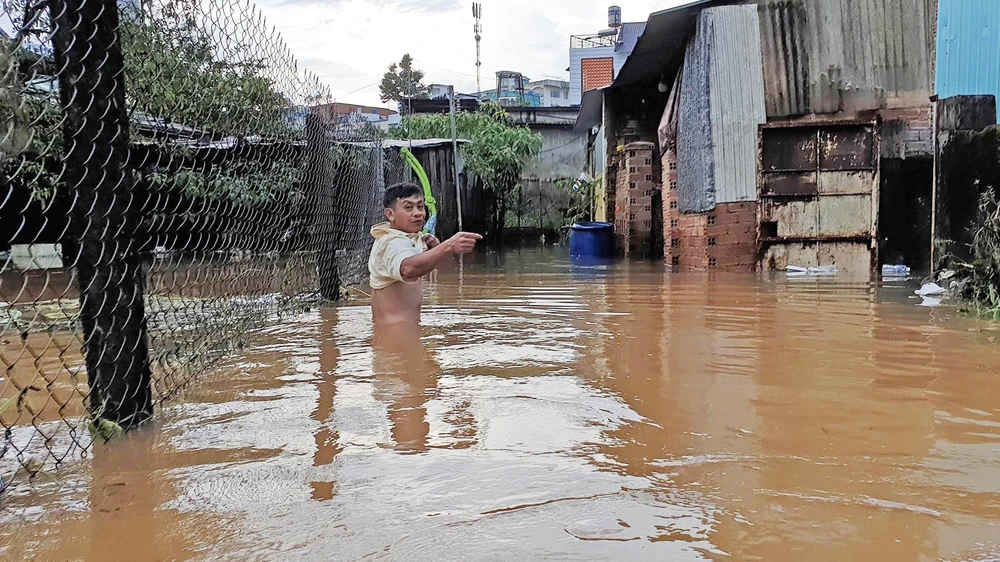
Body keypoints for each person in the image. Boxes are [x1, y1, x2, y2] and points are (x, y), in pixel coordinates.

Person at [368, 182, 481, 327]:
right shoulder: (392, 242)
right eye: (408, 207)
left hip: (404, 331)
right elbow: (408, 269)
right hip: (395, 335)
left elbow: (448, 273)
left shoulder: (410, 237)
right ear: (390, 214)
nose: (418, 213)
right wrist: (448, 246)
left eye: (420, 206)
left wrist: (436, 248)